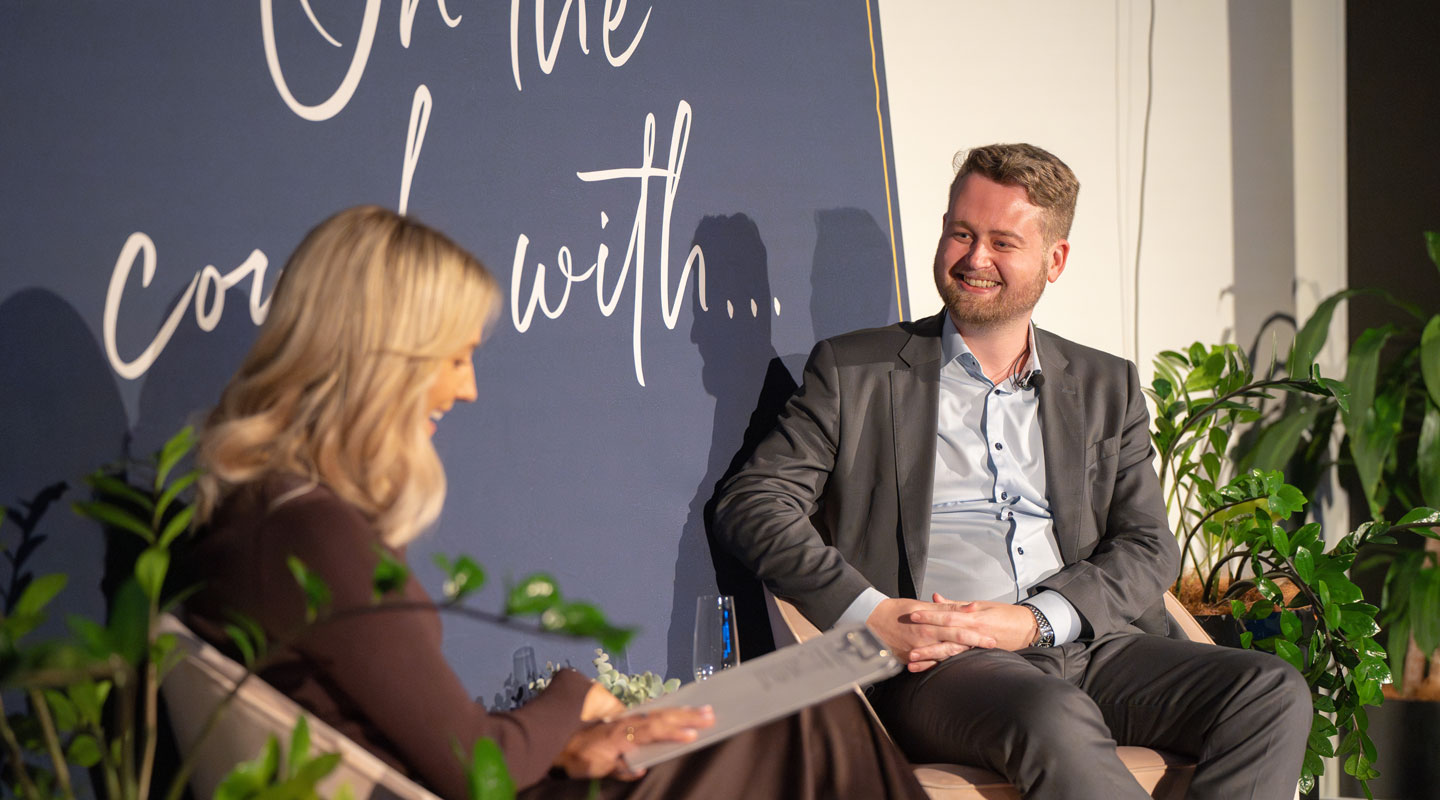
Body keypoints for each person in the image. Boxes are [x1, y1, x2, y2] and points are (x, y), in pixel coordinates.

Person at [183, 205, 926, 800]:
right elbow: (476, 768)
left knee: (805, 719)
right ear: (379, 360)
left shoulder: (259, 513)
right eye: (455, 357)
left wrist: (564, 743)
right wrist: (575, 698)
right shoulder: (312, 533)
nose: (467, 388)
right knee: (817, 724)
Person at [712, 144, 1311, 799]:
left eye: (1002, 242)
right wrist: (872, 615)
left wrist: (1034, 621)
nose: (974, 258)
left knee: (1270, 689)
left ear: (1054, 260)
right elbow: (754, 502)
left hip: (1093, 645)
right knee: (1052, 714)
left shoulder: (1106, 384)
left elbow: (1148, 546)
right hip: (948, 668)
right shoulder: (855, 372)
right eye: (961, 233)